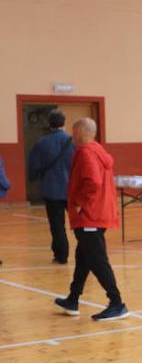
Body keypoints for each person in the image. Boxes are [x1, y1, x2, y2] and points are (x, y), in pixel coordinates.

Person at [54, 118, 127, 321]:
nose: (72, 136)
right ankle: (73, 299)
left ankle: (117, 303)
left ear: (82, 132)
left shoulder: (86, 152)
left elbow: (92, 181)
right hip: (98, 213)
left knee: (96, 259)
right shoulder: (96, 149)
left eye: (74, 132)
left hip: (90, 216)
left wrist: (79, 202)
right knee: (83, 258)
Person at [27, 110, 75, 264]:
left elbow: (33, 165)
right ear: (64, 123)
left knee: (57, 225)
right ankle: (86, 253)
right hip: (72, 189)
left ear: (49, 124)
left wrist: (33, 177)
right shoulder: (74, 142)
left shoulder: (42, 143)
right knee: (80, 223)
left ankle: (61, 256)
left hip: (52, 189)